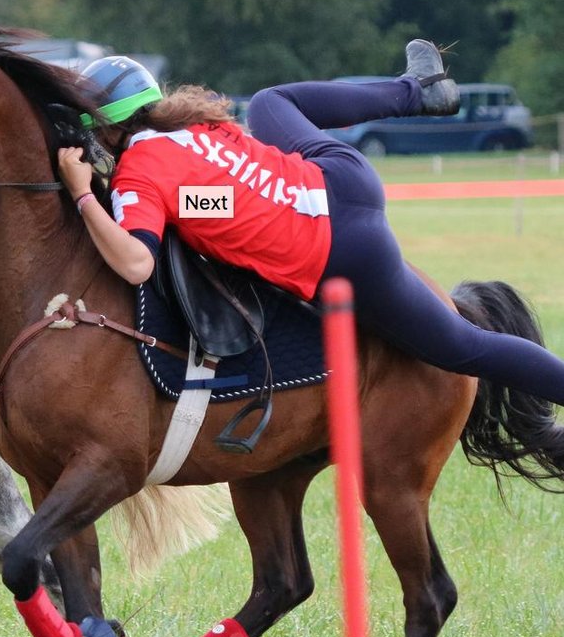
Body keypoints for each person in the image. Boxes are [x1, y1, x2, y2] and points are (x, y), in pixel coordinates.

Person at [57, 41, 564, 405]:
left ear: (108, 126)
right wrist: (176, 215)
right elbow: (218, 204)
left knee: (462, 347)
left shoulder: (137, 171)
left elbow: (137, 263)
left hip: (341, 249)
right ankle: (417, 92)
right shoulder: (189, 123)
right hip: (344, 178)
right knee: (271, 103)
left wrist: (83, 194)